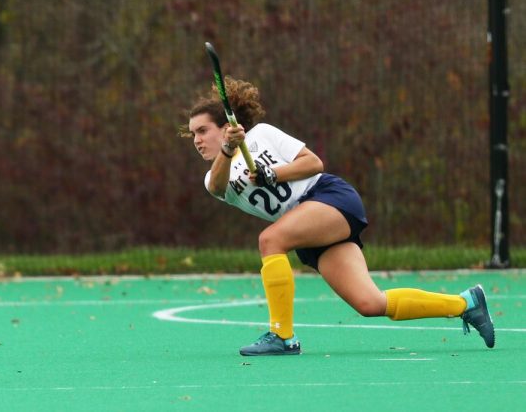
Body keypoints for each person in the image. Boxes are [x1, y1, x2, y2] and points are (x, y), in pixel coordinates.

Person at [185, 79, 495, 356]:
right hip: (306, 230)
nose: (197, 140)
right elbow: (217, 185)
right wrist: (227, 150)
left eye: (202, 131)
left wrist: (272, 173)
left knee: (271, 239)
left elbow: (313, 163)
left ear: (226, 125)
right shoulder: (215, 174)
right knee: (370, 303)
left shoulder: (262, 135)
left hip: (327, 198)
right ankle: (466, 303)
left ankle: (282, 335)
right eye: (192, 134)